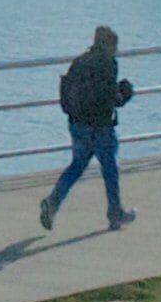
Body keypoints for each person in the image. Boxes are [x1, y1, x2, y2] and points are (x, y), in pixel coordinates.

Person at [39, 25, 136, 230]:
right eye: (115, 46)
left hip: (78, 124)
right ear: (108, 45)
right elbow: (110, 98)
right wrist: (125, 94)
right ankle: (115, 212)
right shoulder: (107, 64)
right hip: (100, 126)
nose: (116, 50)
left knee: (76, 166)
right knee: (109, 168)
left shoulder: (79, 62)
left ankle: (53, 202)